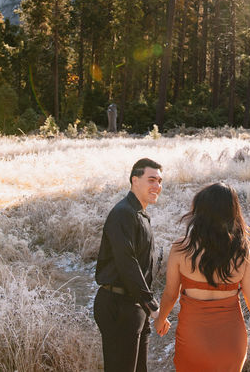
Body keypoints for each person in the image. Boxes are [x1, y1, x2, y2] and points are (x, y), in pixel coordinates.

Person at [153, 182, 250, 370]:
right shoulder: (242, 252)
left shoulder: (180, 248)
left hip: (192, 337)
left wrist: (161, 318)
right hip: (231, 339)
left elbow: (170, 294)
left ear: (200, 212)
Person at [94, 157, 163, 372]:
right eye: (151, 180)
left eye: (160, 181)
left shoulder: (140, 215)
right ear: (135, 180)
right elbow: (127, 262)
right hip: (118, 305)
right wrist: (152, 304)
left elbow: (142, 264)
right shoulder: (124, 213)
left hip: (133, 305)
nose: (157, 186)